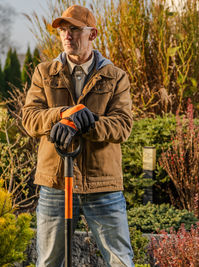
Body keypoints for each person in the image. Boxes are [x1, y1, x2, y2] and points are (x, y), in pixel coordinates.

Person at [22, 5, 134, 267]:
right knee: (49, 262)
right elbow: (30, 119)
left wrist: (90, 123)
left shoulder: (115, 77)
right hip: (56, 181)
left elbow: (122, 126)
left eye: (74, 29)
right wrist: (64, 114)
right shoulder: (44, 73)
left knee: (121, 261)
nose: (67, 35)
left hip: (102, 184)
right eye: (63, 30)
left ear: (92, 34)